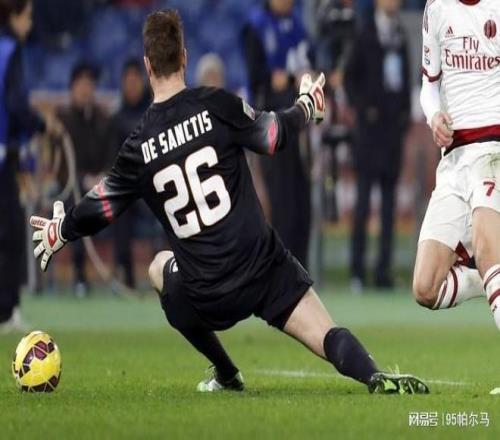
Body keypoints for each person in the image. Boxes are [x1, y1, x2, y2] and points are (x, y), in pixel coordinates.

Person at [29, 9, 428, 394]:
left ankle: (226, 372)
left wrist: (60, 230)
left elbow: (101, 207)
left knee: (157, 268)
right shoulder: (217, 104)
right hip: (262, 270)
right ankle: (374, 376)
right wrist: (306, 106)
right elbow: (272, 136)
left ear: (148, 66)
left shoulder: (138, 146)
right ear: (184, 58)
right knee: (326, 334)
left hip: (207, 293)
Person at [413, 0, 500, 329]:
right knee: (426, 287)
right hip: (453, 162)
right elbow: (429, 86)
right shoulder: (436, 8)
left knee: (488, 248)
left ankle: (490, 271)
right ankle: (485, 281)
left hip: (493, 151)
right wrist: (434, 116)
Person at [0, 0, 60, 332]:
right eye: (28, 16)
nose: (31, 23)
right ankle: (6, 311)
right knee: (9, 237)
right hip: (3, 157)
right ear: (14, 16)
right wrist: (41, 124)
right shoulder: (11, 52)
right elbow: (15, 107)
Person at [344, 0, 411, 291]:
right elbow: (349, 79)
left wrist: (404, 114)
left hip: (392, 133)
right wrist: (364, 109)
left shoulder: (399, 34)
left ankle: (383, 271)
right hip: (369, 134)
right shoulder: (364, 34)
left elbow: (405, 79)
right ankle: (357, 271)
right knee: (362, 205)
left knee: (388, 207)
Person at [242, 0, 312, 268]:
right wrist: (288, 80)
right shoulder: (256, 27)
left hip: (300, 128)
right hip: (271, 127)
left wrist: (300, 78)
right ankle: (284, 272)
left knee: (302, 204)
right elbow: (258, 79)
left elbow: (310, 65)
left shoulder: (298, 26)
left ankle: (302, 269)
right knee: (282, 205)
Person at [58, 62, 114, 296]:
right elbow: (61, 167)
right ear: (72, 87)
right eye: (80, 84)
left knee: (126, 203)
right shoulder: (62, 120)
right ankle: (80, 276)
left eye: (89, 84)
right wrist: (83, 181)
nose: (85, 89)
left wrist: (104, 177)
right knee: (76, 207)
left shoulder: (103, 119)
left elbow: (113, 157)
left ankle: (124, 274)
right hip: (73, 188)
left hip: (103, 187)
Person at [111, 58, 151, 289]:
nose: (132, 84)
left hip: (154, 186)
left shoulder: (154, 114)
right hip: (129, 189)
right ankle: (125, 275)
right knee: (121, 207)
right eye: (128, 80)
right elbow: (113, 161)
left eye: (136, 79)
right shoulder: (115, 120)